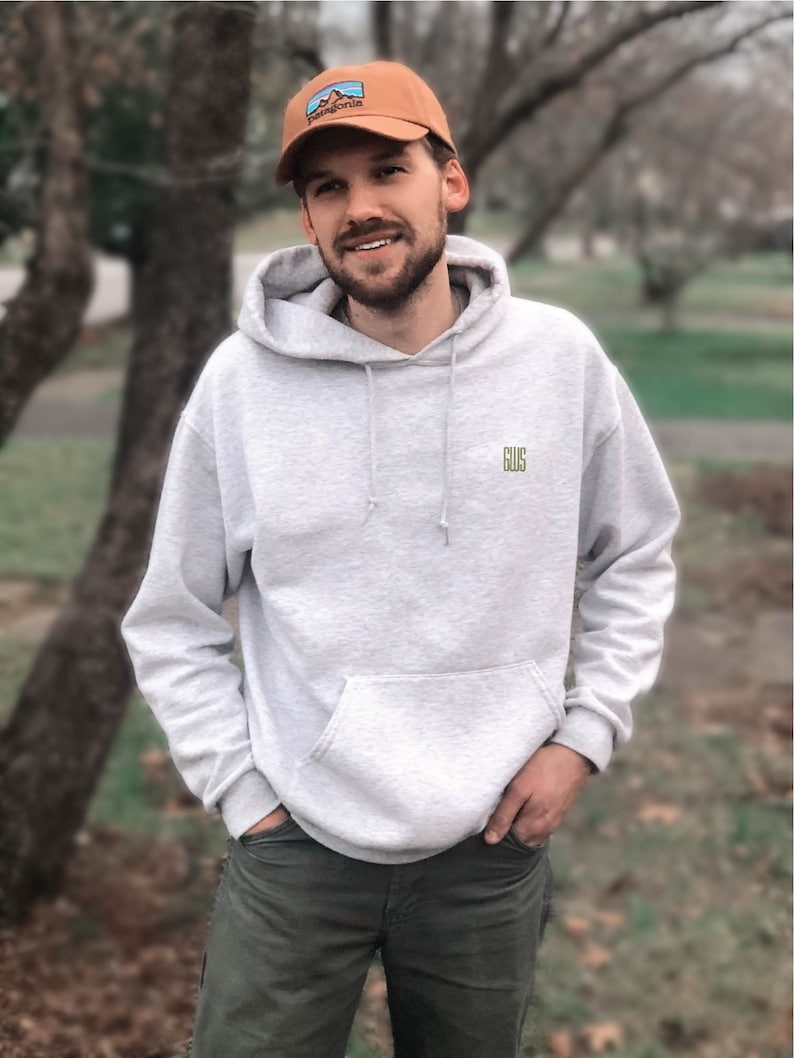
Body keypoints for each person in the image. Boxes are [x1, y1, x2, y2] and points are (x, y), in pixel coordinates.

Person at [121, 60, 680, 1058]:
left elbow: (634, 552)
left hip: (488, 851)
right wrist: (245, 796)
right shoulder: (242, 386)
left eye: (386, 171)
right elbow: (171, 617)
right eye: (327, 187)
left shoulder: (557, 363)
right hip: (296, 851)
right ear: (304, 218)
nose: (359, 207)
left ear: (448, 181)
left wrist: (582, 733)